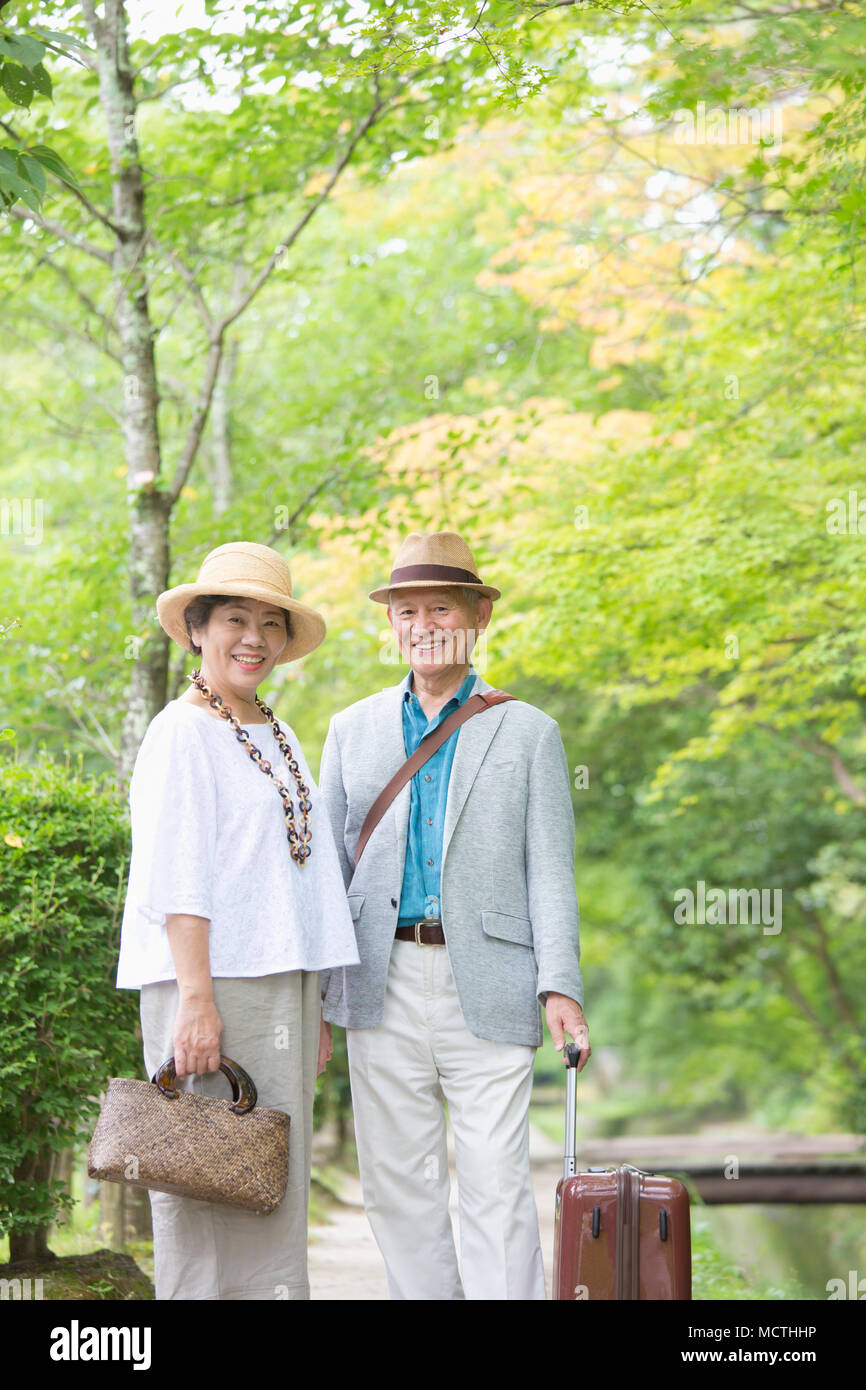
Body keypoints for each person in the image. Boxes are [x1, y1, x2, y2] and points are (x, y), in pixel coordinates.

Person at [318, 529, 590, 1300]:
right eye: (407, 610)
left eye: (442, 606)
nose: (423, 624)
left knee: (497, 1180)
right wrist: (320, 997)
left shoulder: (529, 730)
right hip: (380, 979)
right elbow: (330, 873)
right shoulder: (351, 728)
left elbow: (550, 870)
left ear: (478, 618)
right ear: (392, 623)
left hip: (494, 977)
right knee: (397, 1186)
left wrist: (560, 986)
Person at [116, 541, 359, 1301]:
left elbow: (304, 879)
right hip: (209, 983)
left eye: (269, 623)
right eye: (233, 618)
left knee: (268, 1189)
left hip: (281, 990)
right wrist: (195, 1003)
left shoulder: (278, 736)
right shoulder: (180, 732)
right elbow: (177, 876)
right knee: (199, 1184)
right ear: (197, 628)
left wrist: (313, 1004)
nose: (253, 637)